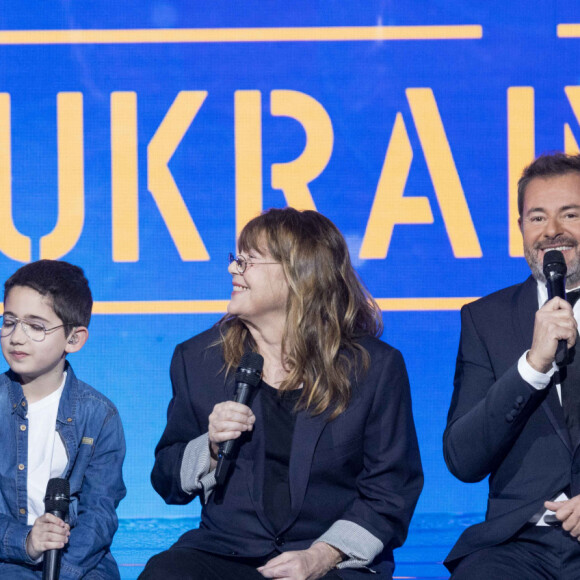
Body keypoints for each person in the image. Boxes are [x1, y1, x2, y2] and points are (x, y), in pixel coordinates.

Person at [140, 207, 423, 580]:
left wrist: (321, 556)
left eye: (248, 261)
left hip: (329, 556)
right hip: (227, 552)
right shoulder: (198, 359)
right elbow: (166, 481)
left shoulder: (373, 368)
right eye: (236, 259)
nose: (232, 269)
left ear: (298, 274)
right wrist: (207, 447)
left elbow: (390, 492)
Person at [444, 152, 580, 578]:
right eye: (536, 217)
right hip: (517, 545)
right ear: (520, 227)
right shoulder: (486, 319)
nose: (552, 231)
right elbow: (463, 460)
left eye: (570, 214)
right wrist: (531, 366)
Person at [0, 260, 126, 579]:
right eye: (9, 321)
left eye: (36, 326)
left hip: (77, 563)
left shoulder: (99, 416)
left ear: (74, 339)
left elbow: (99, 513)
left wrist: (61, 572)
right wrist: (25, 542)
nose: (16, 337)